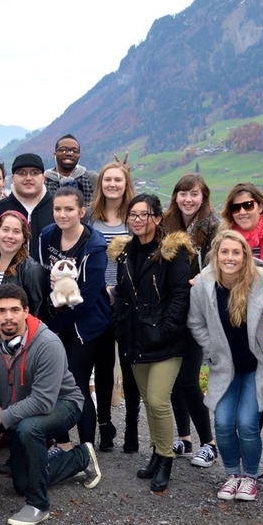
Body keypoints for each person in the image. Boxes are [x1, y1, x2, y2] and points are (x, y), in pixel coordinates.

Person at [0, 284, 102, 525]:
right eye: (1, 311)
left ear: (26, 311)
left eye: (14, 310)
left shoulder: (48, 343)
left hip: (63, 404)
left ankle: (38, 505)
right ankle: (81, 458)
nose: (8, 317)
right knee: (21, 483)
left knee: (28, 428)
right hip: (22, 409)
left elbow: (43, 401)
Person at [187, 230, 263, 502]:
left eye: (236, 252)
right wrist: (212, 350)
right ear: (215, 254)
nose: (230, 258)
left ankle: (250, 477)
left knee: (247, 422)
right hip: (225, 367)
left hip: (257, 365)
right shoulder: (204, 285)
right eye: (224, 252)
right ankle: (232, 475)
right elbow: (195, 322)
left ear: (245, 256)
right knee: (224, 421)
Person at [109, 194, 195, 491]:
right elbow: (122, 293)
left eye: (142, 215)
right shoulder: (125, 252)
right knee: (148, 401)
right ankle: (158, 454)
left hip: (165, 340)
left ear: (157, 218)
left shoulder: (172, 253)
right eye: (131, 215)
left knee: (159, 400)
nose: (136, 220)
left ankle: (167, 459)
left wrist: (166, 329)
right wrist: (120, 319)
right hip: (134, 338)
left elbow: (181, 295)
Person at [37, 187, 111, 448]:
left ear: (81, 211)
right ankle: (63, 443)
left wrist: (54, 326)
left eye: (69, 209)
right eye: (57, 209)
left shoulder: (94, 247)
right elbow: (43, 276)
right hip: (55, 319)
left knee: (76, 386)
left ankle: (87, 448)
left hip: (84, 325)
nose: (62, 214)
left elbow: (88, 299)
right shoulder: (48, 235)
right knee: (53, 382)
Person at [161, 173, 220, 467]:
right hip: (172, 307)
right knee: (173, 378)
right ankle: (184, 439)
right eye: (183, 194)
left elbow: (217, 264)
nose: (188, 199)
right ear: (175, 196)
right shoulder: (168, 223)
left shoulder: (213, 226)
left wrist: (199, 278)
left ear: (203, 197)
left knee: (188, 378)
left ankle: (209, 443)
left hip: (198, 308)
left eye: (194, 194)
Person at [87, 161, 133, 451]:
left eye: (118, 180)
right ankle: (104, 424)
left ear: (126, 184)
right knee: (102, 365)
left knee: (127, 367)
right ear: (100, 184)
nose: (112, 185)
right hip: (97, 300)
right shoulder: (91, 217)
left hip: (127, 301)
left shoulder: (134, 216)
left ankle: (131, 430)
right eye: (107, 180)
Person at [0, 153, 54, 258]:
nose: (28, 178)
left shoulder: (57, 209)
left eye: (34, 173)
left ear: (43, 178)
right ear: (13, 178)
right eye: (22, 173)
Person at [0, 211, 47, 318]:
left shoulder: (32, 270)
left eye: (16, 231)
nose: (10, 236)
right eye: (5, 230)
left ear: (24, 239)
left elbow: (38, 313)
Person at [219, 183, 263, 262]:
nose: (242, 212)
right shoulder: (222, 238)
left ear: (260, 207)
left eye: (248, 205)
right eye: (236, 208)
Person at [44, 134, 98, 205]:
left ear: (79, 156)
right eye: (63, 150)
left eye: (74, 151)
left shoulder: (92, 179)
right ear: (55, 154)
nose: (69, 154)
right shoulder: (44, 180)